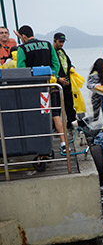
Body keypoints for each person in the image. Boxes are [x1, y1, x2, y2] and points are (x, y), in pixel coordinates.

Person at [15, 25, 68, 153]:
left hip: (34, 88)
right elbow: (56, 63)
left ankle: (41, 144)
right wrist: (52, 76)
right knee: (55, 114)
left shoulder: (22, 48)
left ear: (23, 37)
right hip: (50, 85)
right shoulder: (48, 44)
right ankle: (63, 142)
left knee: (39, 114)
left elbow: (21, 69)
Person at [52, 32, 77, 128]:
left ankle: (71, 123)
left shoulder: (62, 51)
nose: (61, 44)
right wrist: (58, 79)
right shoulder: (51, 52)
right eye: (60, 41)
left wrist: (72, 67)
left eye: (63, 42)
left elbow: (68, 62)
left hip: (67, 81)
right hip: (57, 82)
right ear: (54, 40)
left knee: (69, 104)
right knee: (57, 106)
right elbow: (50, 67)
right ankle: (56, 126)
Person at [87, 58, 103, 123]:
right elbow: (89, 84)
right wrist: (96, 86)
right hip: (96, 97)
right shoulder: (95, 75)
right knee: (95, 117)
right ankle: (79, 123)